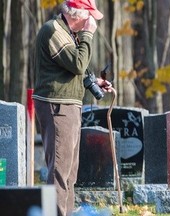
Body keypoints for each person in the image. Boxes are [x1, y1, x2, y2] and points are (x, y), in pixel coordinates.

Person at [32, 1, 111, 215]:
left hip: (69, 105)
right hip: (56, 105)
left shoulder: (68, 33)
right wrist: (88, 35)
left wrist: (96, 82)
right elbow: (77, 63)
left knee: (70, 172)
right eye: (89, 15)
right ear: (78, 14)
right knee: (59, 169)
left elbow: (77, 70)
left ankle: (65, 212)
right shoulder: (53, 30)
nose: (91, 21)